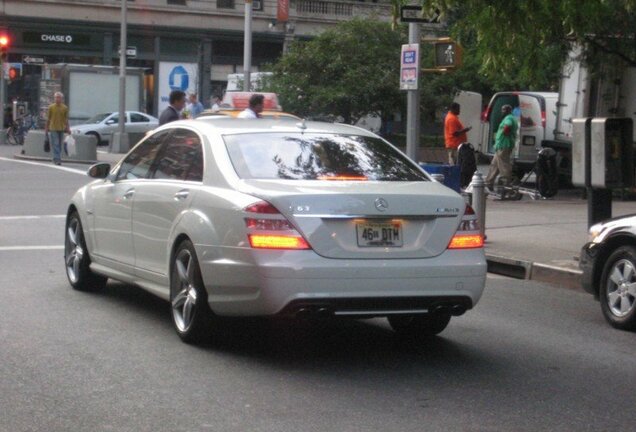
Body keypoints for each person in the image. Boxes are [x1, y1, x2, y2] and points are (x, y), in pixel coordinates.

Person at [485, 104, 518, 190]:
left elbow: (508, 126)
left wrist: (504, 133)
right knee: (494, 165)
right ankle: (489, 182)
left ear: (508, 111)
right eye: (502, 110)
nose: (502, 112)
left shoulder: (509, 118)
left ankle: (506, 185)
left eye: (504, 110)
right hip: (501, 146)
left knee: (503, 165)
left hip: (504, 145)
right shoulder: (509, 118)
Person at [44, 91, 71, 165]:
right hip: (53, 128)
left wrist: (68, 128)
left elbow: (66, 119)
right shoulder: (51, 107)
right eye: (55, 97)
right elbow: (48, 119)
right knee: (55, 143)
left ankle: (55, 157)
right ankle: (57, 159)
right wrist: (46, 128)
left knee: (59, 144)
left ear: (61, 99)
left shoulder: (65, 108)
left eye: (58, 97)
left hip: (61, 128)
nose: (57, 99)